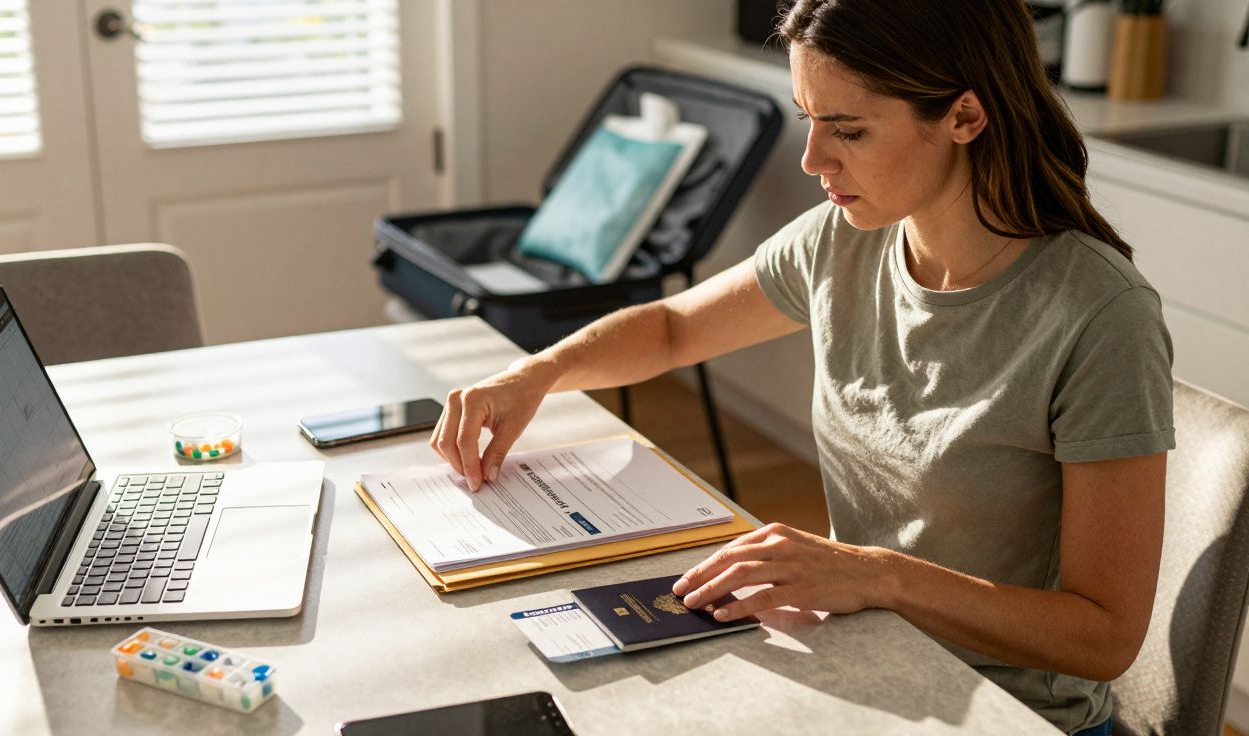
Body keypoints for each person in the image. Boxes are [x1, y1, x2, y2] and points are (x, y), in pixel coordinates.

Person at [429, 1, 1173, 733]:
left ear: (965, 118)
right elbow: (671, 327)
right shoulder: (842, 240)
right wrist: (533, 374)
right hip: (864, 660)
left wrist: (876, 574)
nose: (814, 160)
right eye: (808, 120)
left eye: (848, 129)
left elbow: (1103, 637)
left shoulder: (1100, 317)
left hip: (1004, 714)